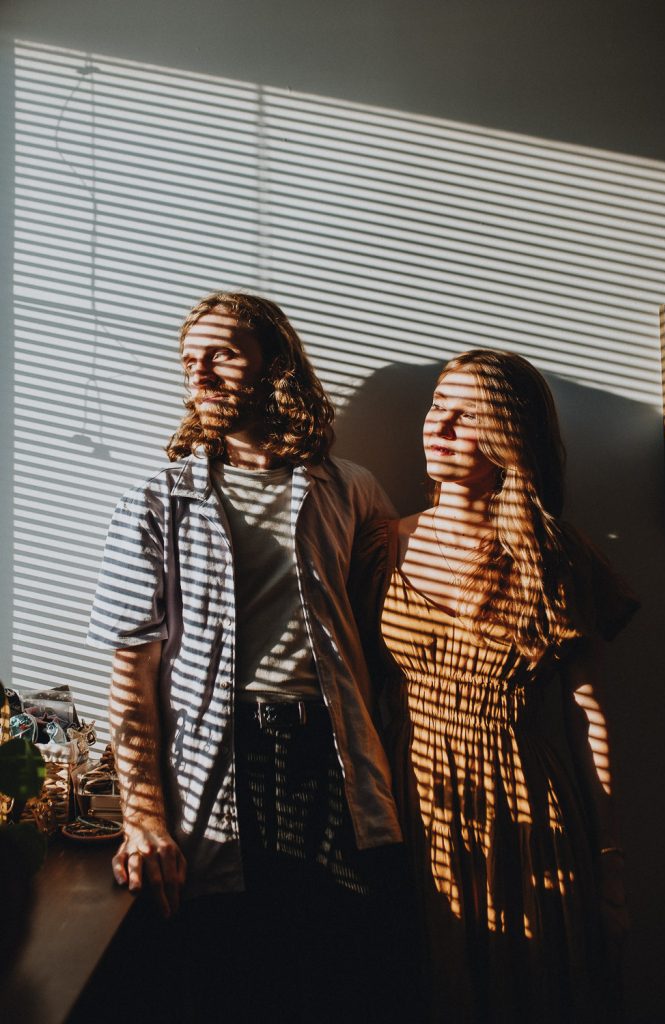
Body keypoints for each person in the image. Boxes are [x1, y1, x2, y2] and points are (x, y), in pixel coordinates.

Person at [87, 292, 421, 1024]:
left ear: (277, 366)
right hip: (223, 757)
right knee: (234, 971)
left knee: (343, 966)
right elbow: (130, 676)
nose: (198, 374)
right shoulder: (155, 503)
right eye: (188, 362)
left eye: (221, 356)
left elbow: (396, 622)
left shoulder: (349, 488)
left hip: (335, 754)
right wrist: (143, 818)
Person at [352, 349, 638, 1024]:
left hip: (526, 806)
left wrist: (609, 860)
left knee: (529, 988)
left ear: (509, 434)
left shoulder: (555, 558)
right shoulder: (381, 546)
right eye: (434, 406)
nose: (437, 426)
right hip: (412, 797)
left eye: (465, 415)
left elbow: (586, 712)